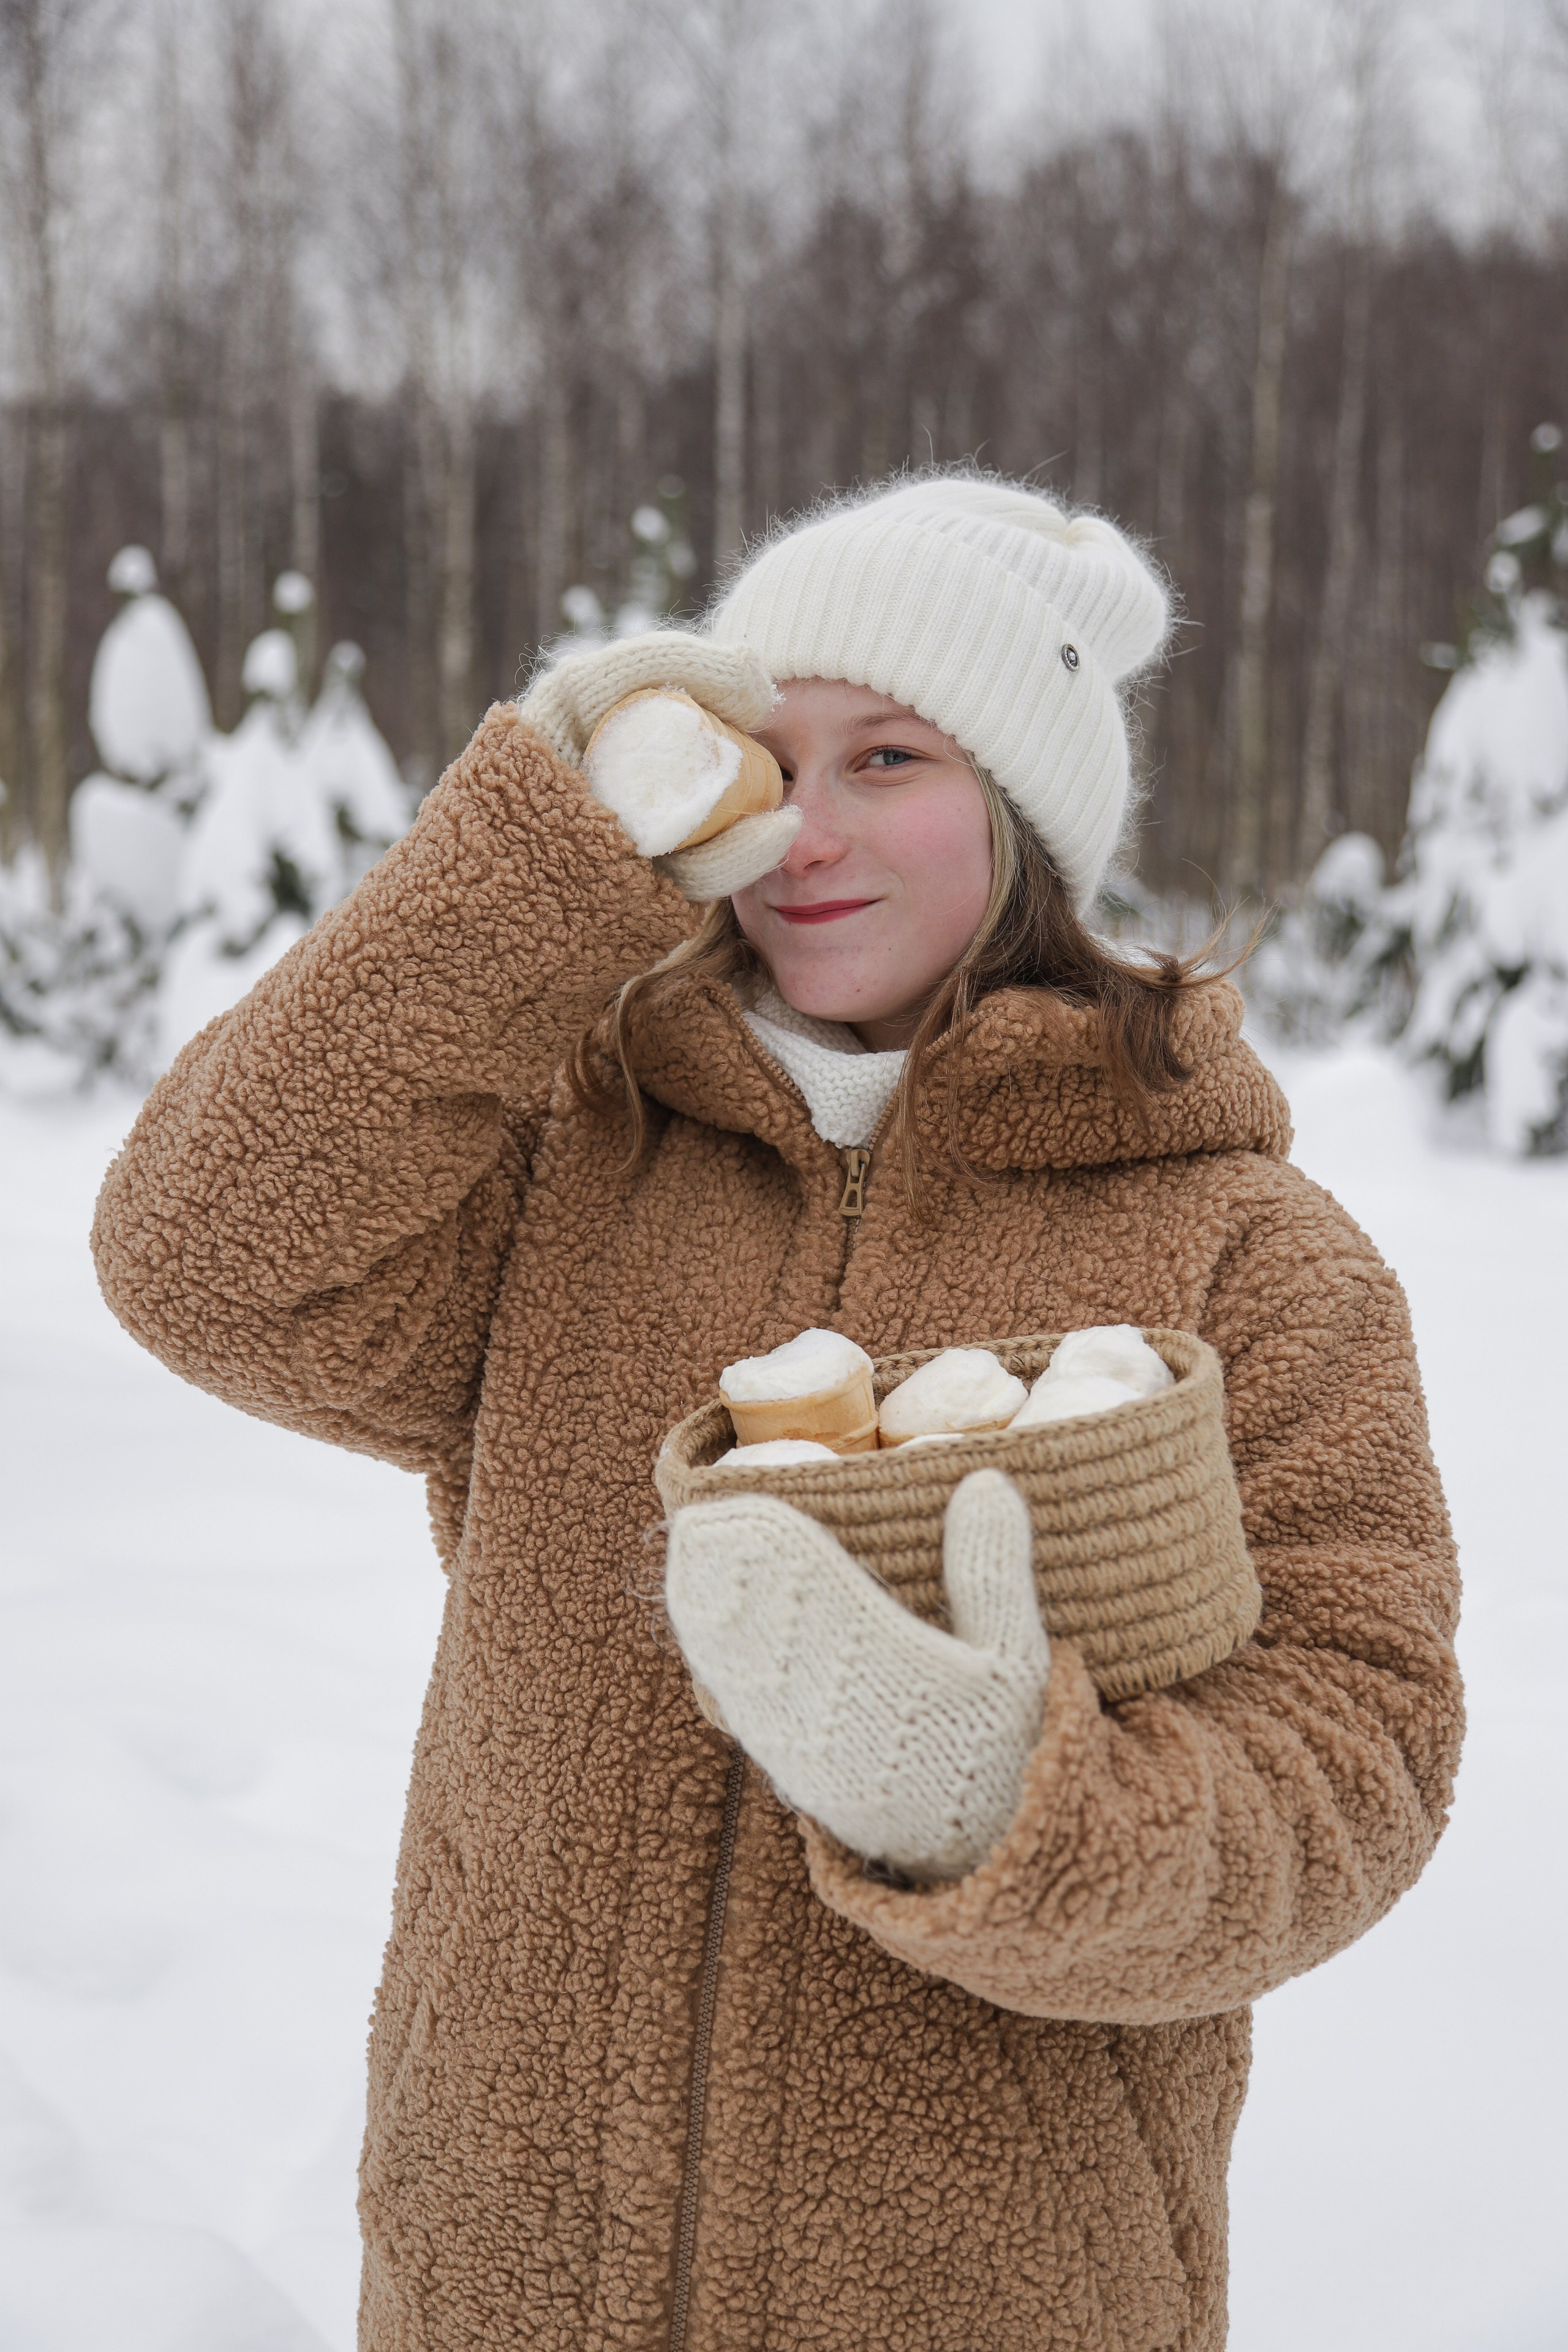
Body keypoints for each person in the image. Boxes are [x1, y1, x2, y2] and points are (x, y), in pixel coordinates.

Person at [92, 473, 1463, 2352]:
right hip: (499, 2281)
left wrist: (1017, 1810)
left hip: (986, 2305)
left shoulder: (1249, 1254)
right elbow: (203, 1256)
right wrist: (529, 858)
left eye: (888, 758)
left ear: (1025, 810)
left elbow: (1355, 1760)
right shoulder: (567, 1169)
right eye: (764, 757)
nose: (803, 829)